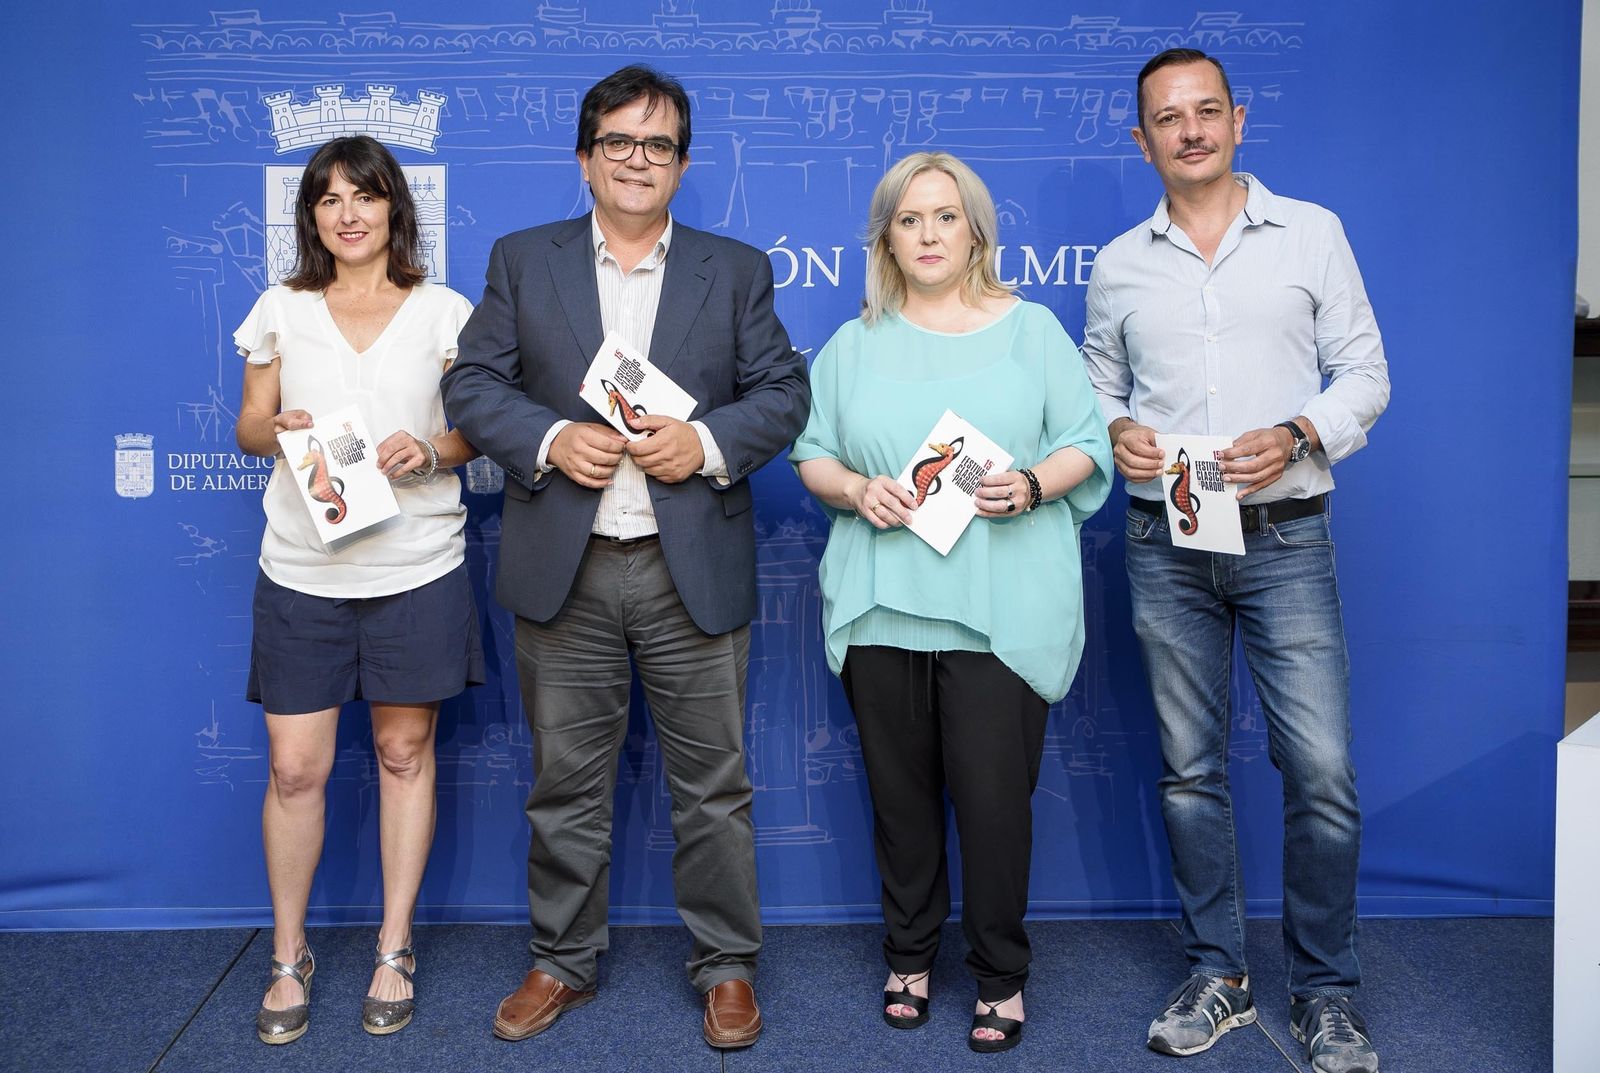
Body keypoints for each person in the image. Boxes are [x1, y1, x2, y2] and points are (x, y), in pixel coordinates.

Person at [441, 65, 808, 1050]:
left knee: (714, 784)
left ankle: (726, 962)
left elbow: (783, 392)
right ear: (585, 157)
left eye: (657, 144)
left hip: (688, 559)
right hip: (568, 562)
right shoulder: (524, 259)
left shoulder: (733, 269)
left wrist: (711, 443)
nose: (636, 160)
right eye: (618, 142)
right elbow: (472, 386)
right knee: (564, 778)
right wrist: (551, 439)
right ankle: (561, 957)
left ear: (683, 163)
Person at [1080, 49, 1390, 1073]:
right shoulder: (1120, 261)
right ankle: (1219, 972)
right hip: (1163, 539)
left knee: (1322, 772)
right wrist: (1114, 426)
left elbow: (1366, 373)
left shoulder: (1312, 233)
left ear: (1237, 119)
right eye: (1167, 118)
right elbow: (1098, 385)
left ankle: (1327, 990)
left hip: (1287, 532)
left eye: (1206, 111)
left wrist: (1301, 429)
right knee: (1187, 774)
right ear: (1142, 139)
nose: (1190, 130)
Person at [791, 151, 1112, 1054]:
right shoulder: (855, 343)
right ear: (885, 236)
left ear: (976, 227)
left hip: (999, 609)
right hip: (885, 601)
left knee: (994, 803)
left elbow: (1087, 441)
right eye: (908, 219)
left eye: (945, 216)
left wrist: (1034, 485)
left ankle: (1000, 971)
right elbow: (812, 453)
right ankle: (908, 955)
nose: (928, 234)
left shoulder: (1034, 329)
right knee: (900, 801)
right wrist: (857, 490)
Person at [233, 134, 484, 1044]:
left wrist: (432, 448)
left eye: (365, 196)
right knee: (295, 767)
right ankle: (288, 955)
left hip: (417, 562)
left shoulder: (445, 311)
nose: (348, 213)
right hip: (301, 567)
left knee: (402, 754)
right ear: (311, 216)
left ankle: (392, 945)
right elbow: (249, 426)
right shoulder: (281, 308)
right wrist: (280, 427)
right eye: (330, 198)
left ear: (393, 209)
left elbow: (477, 430)